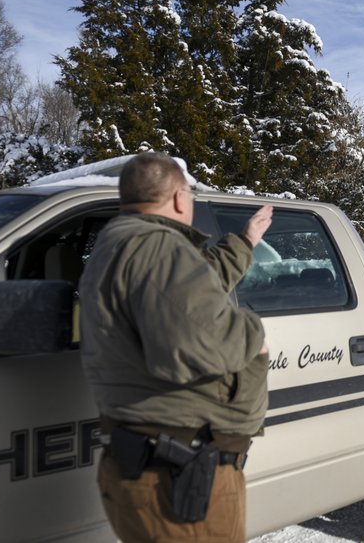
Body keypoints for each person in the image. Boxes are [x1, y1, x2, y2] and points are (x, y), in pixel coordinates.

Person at [78, 151, 272, 543]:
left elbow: (186, 291)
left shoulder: (119, 243)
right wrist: (254, 333)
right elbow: (202, 341)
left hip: (148, 460)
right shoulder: (158, 249)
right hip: (178, 472)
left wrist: (247, 241)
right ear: (181, 198)